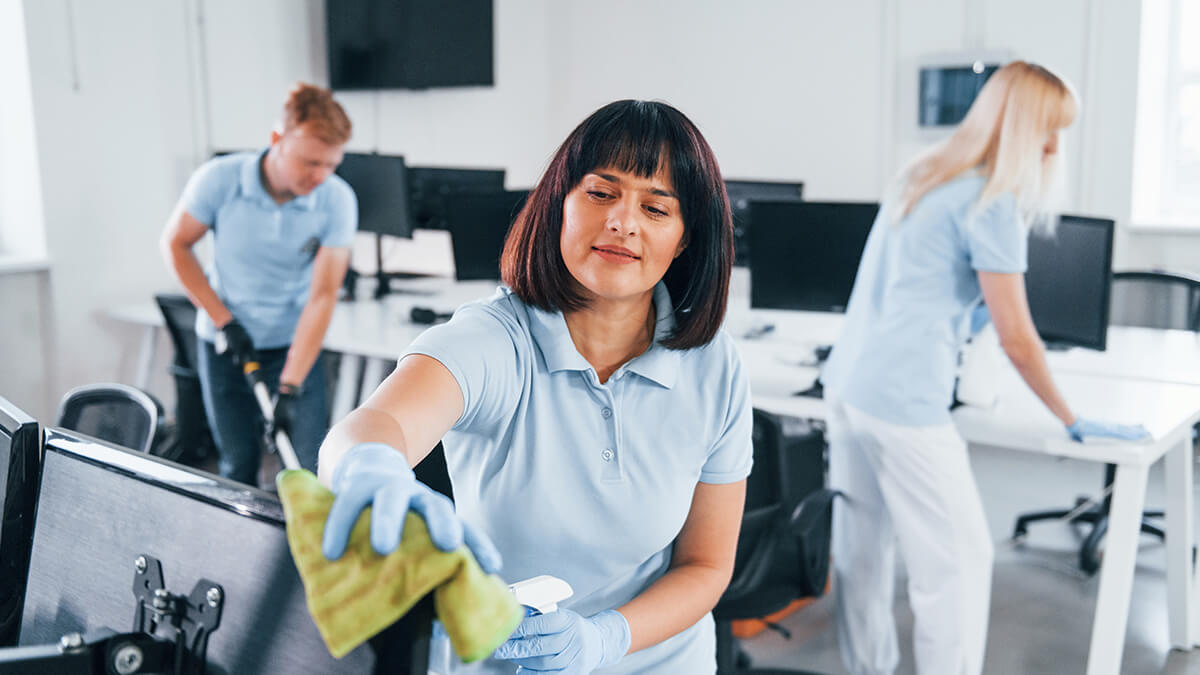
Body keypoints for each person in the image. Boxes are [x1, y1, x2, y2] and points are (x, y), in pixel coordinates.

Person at [318, 99, 752, 673]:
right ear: (560, 205)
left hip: (661, 660)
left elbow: (706, 565)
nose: (623, 221)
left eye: (656, 207)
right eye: (601, 193)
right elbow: (374, 426)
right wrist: (368, 467)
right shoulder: (498, 339)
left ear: (685, 238)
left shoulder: (713, 363)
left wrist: (603, 639)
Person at [820, 61, 1149, 675]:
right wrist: (1071, 418)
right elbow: (1019, 338)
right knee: (960, 564)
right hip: (904, 402)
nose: (1055, 146)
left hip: (850, 384)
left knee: (860, 556)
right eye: (1050, 130)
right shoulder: (992, 199)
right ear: (1023, 129)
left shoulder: (922, 176)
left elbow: (909, 288)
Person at [160, 82, 356, 486]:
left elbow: (322, 296)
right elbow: (176, 245)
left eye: (331, 165)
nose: (320, 176)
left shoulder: (336, 200)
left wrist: (290, 386)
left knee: (305, 470)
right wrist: (223, 321)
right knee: (236, 465)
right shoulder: (219, 180)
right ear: (276, 140)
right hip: (225, 345)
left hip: (293, 348)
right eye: (309, 162)